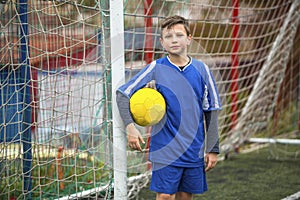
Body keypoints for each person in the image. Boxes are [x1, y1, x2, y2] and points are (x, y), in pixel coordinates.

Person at [116, 15, 222, 200]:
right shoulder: (155, 68)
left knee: (184, 196)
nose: (174, 40)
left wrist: (212, 148)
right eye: (168, 36)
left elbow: (211, 110)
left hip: (193, 149)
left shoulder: (202, 70)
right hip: (165, 147)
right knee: (165, 196)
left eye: (179, 35)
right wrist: (130, 127)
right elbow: (122, 93)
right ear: (161, 42)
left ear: (189, 38)